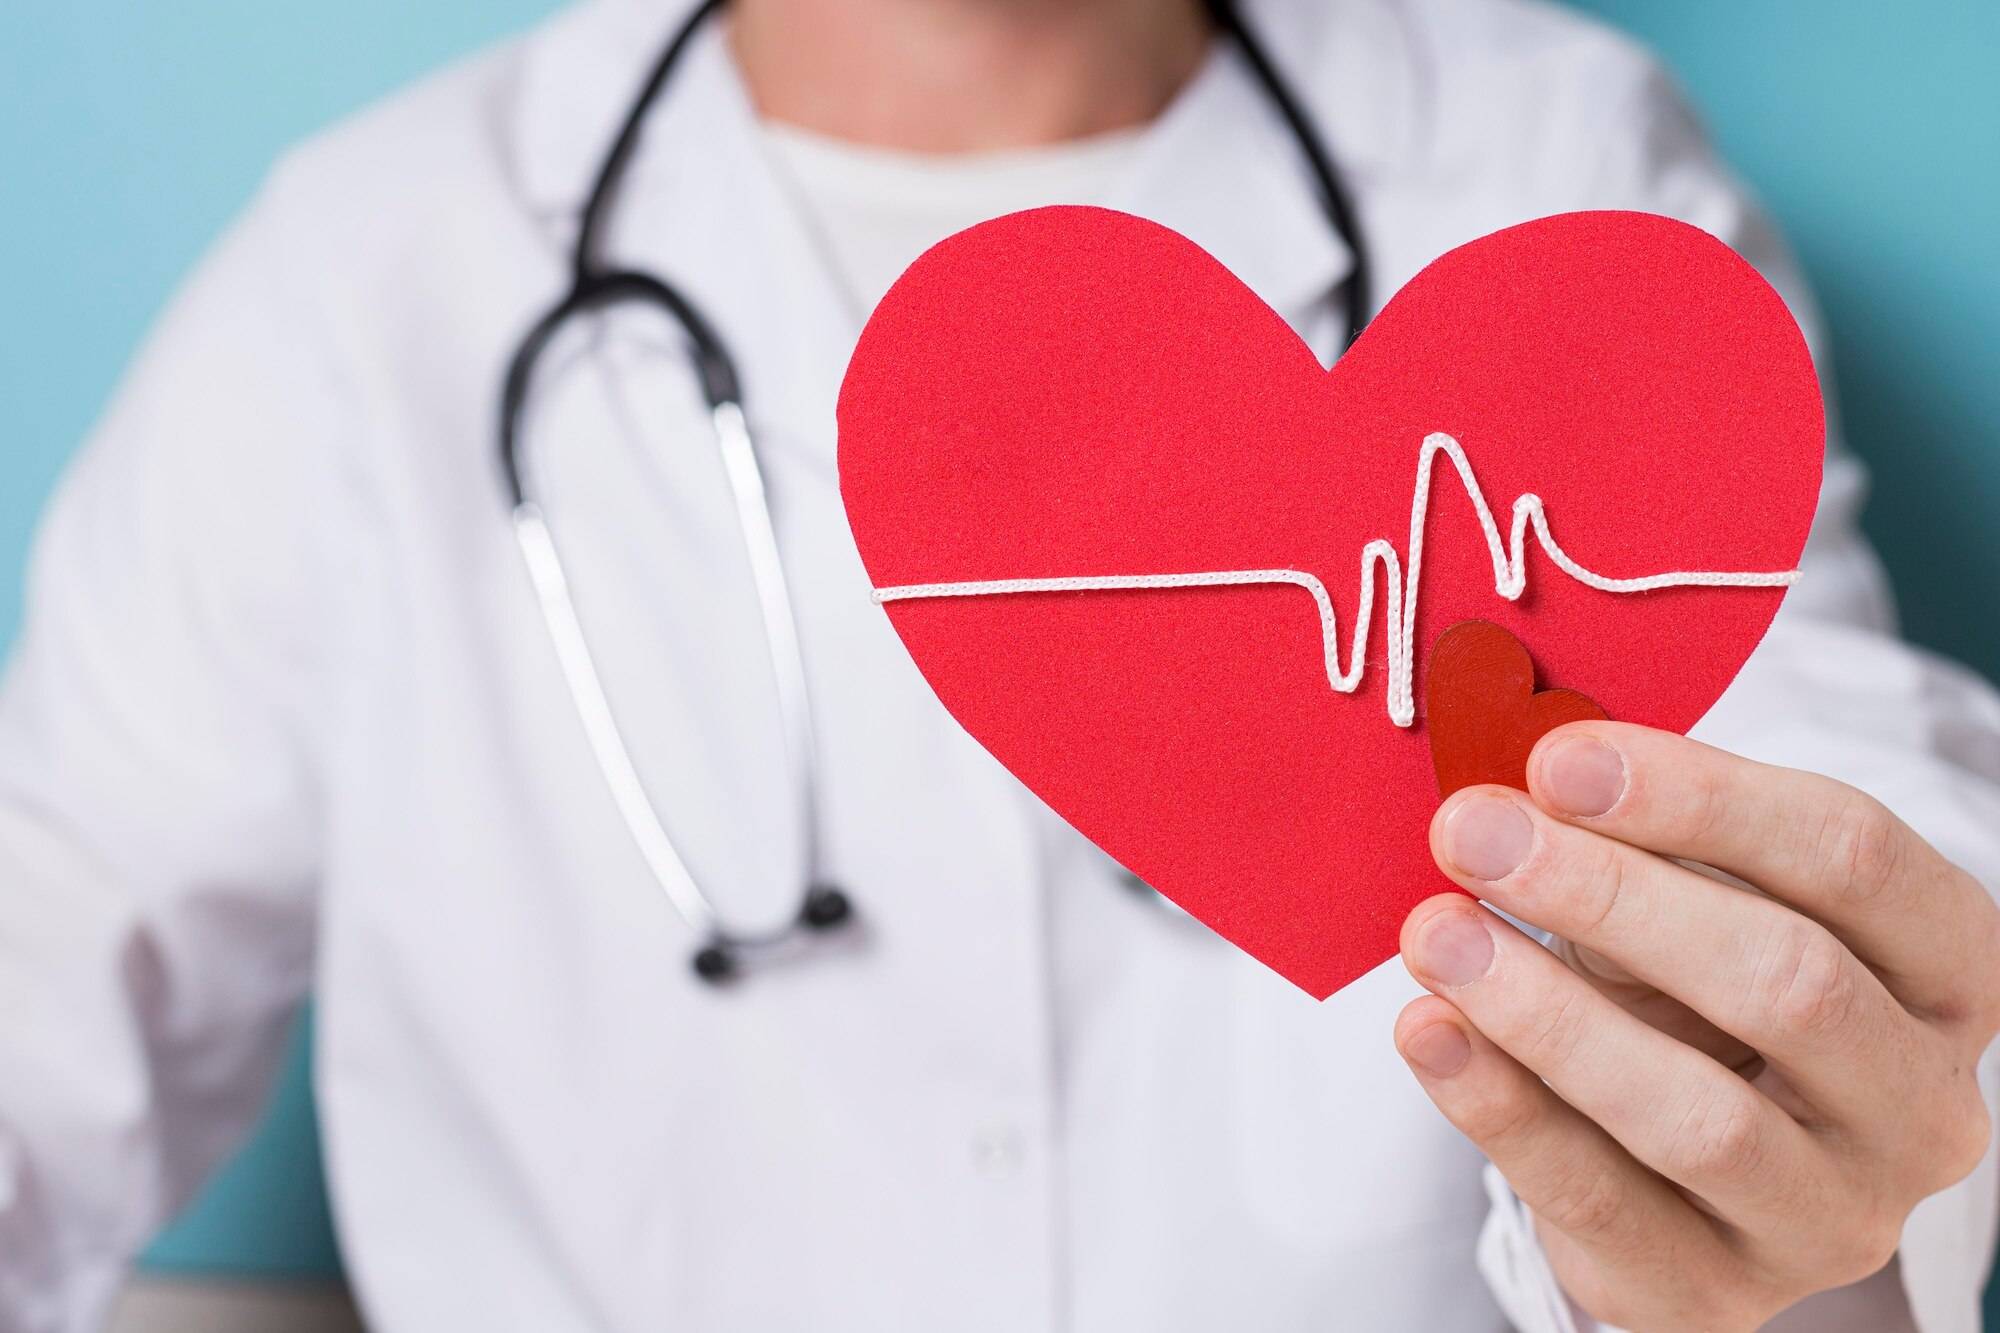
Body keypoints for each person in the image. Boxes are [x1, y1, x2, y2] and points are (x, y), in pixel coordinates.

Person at [2, 0, 1995, 1328]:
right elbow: (45, 956)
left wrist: (1826, 1090)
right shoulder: (370, 267)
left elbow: (1821, 757)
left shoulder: (1544, 147)